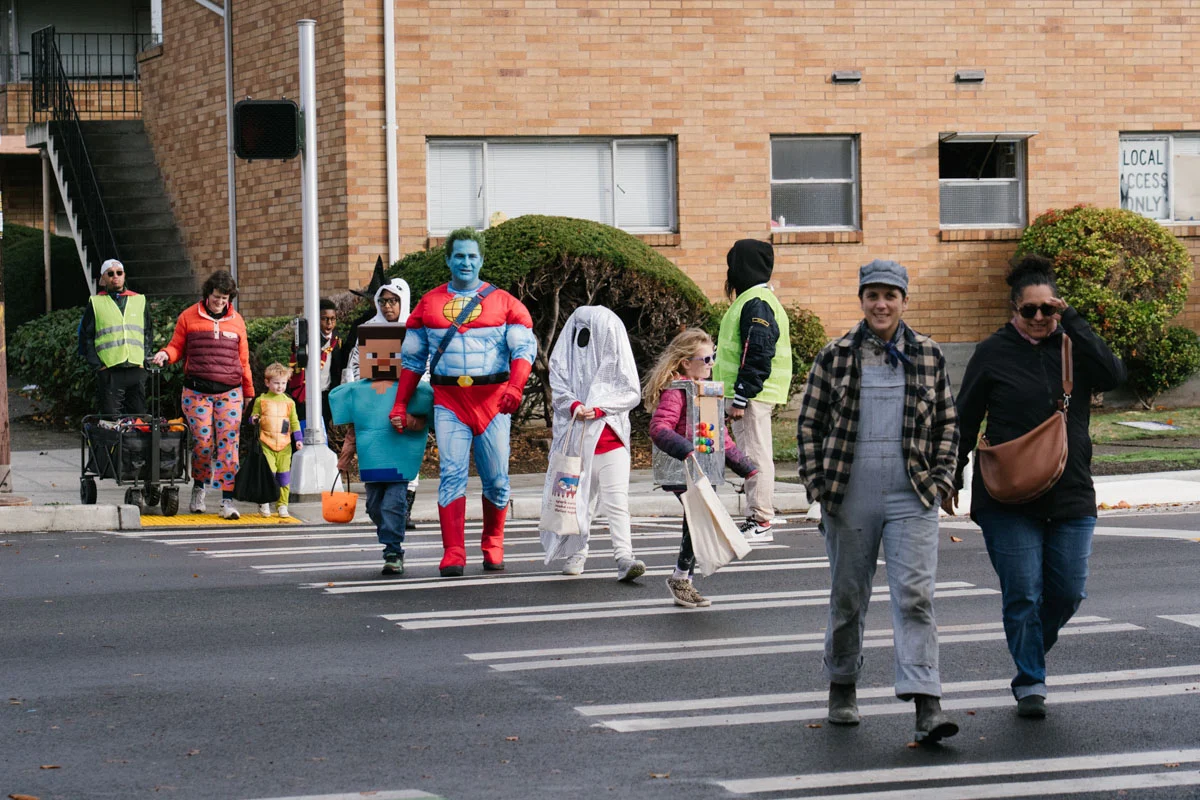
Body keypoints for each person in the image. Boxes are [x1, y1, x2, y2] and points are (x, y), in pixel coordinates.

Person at [950, 255, 1126, 720]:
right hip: (1006, 495)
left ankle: (1032, 653)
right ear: (1014, 310)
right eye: (1030, 310)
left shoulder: (1074, 345)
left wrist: (1075, 321)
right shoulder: (993, 352)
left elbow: (1115, 375)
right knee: (1023, 591)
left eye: (1048, 309)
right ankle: (1030, 678)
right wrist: (952, 472)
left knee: (1068, 592)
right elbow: (965, 418)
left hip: (1069, 490)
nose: (1040, 318)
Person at [796, 259, 960, 744]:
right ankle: (842, 686)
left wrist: (942, 479)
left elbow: (949, 423)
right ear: (862, 300)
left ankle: (927, 703)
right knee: (848, 598)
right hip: (850, 490)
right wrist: (819, 486)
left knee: (917, 597)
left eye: (890, 295)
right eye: (873, 295)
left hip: (913, 492)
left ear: (904, 301)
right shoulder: (836, 355)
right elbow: (809, 424)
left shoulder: (929, 354)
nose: (881, 304)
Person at [389, 228, 536, 577]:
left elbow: (523, 349)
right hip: (450, 401)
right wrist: (400, 404)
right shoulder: (428, 304)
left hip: (493, 401)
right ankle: (453, 550)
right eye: (459, 256)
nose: (465, 262)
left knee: (497, 479)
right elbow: (411, 361)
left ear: (481, 260)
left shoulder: (505, 303)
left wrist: (515, 387)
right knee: (451, 475)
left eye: (472, 256)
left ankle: (493, 541)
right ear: (448, 259)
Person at [645, 328, 757, 608]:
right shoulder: (676, 391)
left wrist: (742, 464)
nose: (712, 364)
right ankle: (681, 578)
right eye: (706, 359)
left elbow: (717, 434)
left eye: (713, 357)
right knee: (698, 521)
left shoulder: (706, 391)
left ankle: (683, 579)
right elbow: (659, 428)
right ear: (686, 362)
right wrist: (684, 448)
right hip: (683, 468)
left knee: (694, 523)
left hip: (703, 469)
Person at [540, 306, 646, 582]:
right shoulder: (570, 345)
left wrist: (599, 409)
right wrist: (575, 405)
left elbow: (630, 391)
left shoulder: (612, 353)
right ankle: (578, 551)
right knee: (579, 501)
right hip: (579, 440)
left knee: (616, 502)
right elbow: (560, 380)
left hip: (611, 442)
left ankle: (624, 556)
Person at [330, 323, 434, 576]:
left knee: (393, 505)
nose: (383, 360)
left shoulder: (412, 390)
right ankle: (390, 539)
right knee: (374, 506)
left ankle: (392, 549)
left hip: (398, 460)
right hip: (372, 461)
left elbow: (426, 420)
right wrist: (344, 459)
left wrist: (409, 421)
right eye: (375, 355)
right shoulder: (359, 392)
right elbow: (354, 429)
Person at [150, 270, 254, 520]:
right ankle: (200, 487)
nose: (220, 302)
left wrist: (249, 391)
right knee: (203, 442)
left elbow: (243, 360)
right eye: (217, 297)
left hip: (230, 392)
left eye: (225, 298)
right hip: (197, 392)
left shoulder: (237, 321)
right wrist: (165, 354)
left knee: (229, 445)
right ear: (208, 294)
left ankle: (227, 500)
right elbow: (176, 345)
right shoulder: (188, 316)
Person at [713, 239, 791, 543]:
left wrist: (742, 396)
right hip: (752, 394)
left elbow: (756, 350)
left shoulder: (755, 302)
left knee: (755, 454)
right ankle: (757, 517)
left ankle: (760, 520)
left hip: (752, 396)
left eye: (733, 264)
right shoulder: (755, 299)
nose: (729, 271)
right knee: (752, 452)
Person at [79, 259, 151, 415]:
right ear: (103, 279)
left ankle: (134, 441)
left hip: (136, 368)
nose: (115, 277)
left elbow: (147, 332)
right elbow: (86, 337)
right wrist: (98, 366)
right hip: (110, 369)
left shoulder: (139, 300)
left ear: (124, 275)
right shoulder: (96, 303)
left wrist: (144, 359)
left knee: (139, 416)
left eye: (119, 273)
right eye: (110, 274)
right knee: (110, 418)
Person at [251, 362, 303, 518]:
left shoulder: (289, 402)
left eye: (283, 383)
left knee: (284, 477)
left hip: (285, 445)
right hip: (266, 442)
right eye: (276, 383)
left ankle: (282, 505)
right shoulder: (261, 401)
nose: (280, 387)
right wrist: (254, 419)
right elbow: (253, 416)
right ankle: (265, 502)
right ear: (267, 382)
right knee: (269, 474)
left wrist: (298, 439)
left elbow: (294, 422)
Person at [288, 297, 344, 432]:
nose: (329, 323)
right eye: (325, 319)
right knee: (304, 430)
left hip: (325, 393)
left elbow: (337, 369)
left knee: (323, 430)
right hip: (307, 394)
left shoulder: (336, 339)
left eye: (333, 319)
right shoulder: (307, 339)